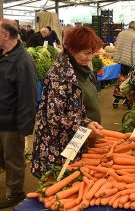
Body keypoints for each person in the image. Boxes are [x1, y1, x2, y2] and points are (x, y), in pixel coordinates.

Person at [31, 26, 104, 179]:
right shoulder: (59, 75)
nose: (90, 57)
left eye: (92, 53)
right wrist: (85, 123)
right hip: (59, 146)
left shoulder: (84, 70)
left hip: (80, 140)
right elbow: (54, 116)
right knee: (59, 184)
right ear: (71, 49)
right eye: (86, 53)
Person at [0, 18, 38, 209]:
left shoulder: (23, 60)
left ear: (5, 35)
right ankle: (15, 172)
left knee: (12, 155)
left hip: (11, 121)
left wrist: (25, 125)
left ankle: (15, 191)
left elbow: (29, 95)